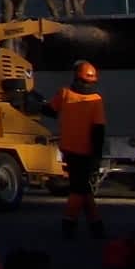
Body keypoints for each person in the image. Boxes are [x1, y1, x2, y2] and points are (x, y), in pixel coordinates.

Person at [45, 60, 107, 239]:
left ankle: (94, 225)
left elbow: (49, 110)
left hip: (69, 150)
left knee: (81, 187)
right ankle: (70, 223)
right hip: (87, 151)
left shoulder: (64, 93)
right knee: (79, 188)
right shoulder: (96, 100)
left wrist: (32, 100)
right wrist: (97, 155)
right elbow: (98, 130)